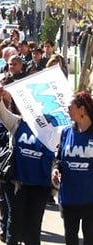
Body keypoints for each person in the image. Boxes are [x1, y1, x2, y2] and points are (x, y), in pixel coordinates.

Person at [0, 86, 54, 245]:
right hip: (17, 183)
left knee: (34, 227)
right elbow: (2, 114)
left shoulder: (54, 129)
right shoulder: (18, 123)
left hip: (40, 185)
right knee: (15, 223)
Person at [52, 91, 93, 245]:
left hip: (90, 199)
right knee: (70, 239)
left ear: (82, 109)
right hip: (69, 197)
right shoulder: (66, 132)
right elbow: (59, 158)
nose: (67, 110)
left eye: (70, 107)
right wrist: (56, 170)